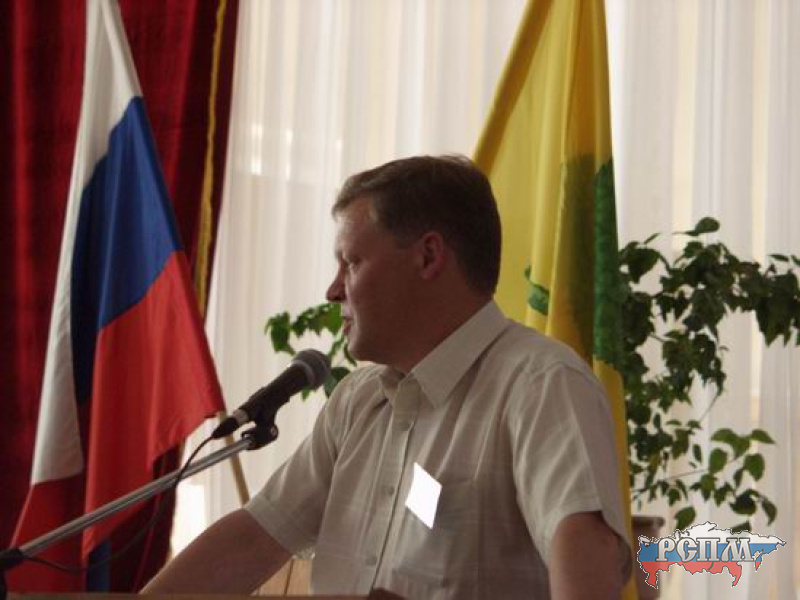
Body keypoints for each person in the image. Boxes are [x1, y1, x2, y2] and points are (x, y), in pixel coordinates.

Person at [143, 155, 632, 599]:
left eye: (351, 262)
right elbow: (255, 538)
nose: (333, 290)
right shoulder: (358, 398)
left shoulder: (540, 385)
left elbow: (588, 568)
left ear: (428, 256)